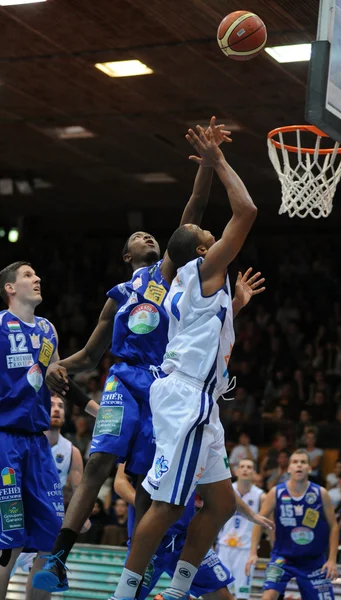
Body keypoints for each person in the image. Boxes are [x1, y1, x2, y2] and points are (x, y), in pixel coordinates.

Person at [33, 119, 263, 594]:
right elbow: (93, 351)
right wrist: (63, 364)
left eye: (152, 235)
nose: (147, 236)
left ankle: (155, 580)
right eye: (137, 236)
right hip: (137, 380)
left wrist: (206, 166)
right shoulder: (126, 290)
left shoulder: (171, 276)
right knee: (104, 466)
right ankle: (68, 559)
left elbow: (192, 215)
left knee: (158, 486)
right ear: (125, 253)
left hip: (165, 380)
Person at [108, 122, 270, 600]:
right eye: (207, 234)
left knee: (219, 505)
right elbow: (247, 210)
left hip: (198, 397)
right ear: (204, 253)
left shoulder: (184, 283)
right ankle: (124, 594)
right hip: (186, 398)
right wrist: (217, 162)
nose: (211, 230)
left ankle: (178, 591)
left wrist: (234, 306)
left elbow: (202, 330)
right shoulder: (201, 272)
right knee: (167, 507)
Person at [0, 262, 89, 600]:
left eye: (37, 274)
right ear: (10, 288)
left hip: (37, 445)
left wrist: (94, 409)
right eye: (27, 275)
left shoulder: (48, 330)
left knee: (52, 539)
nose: (37, 278)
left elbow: (58, 381)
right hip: (4, 440)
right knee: (9, 540)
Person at [114, 462, 271, 600]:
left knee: (222, 595)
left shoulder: (199, 440)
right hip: (150, 538)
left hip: (186, 539)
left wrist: (251, 514)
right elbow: (120, 481)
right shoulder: (145, 434)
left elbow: (220, 488)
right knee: (127, 597)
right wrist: (153, 511)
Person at [9, 395, 95, 584]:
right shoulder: (21, 442)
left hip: (44, 523)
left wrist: (84, 516)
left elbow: (79, 491)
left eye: (61, 406)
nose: (56, 409)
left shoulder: (71, 451)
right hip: (17, 519)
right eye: (51, 405)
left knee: (42, 584)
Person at [246, 449, 339, 600]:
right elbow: (258, 521)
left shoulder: (321, 493)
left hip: (313, 561)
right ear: (289, 468)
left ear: (309, 468)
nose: (299, 465)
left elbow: (334, 526)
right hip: (283, 558)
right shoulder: (276, 492)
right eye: (295, 462)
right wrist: (252, 553)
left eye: (303, 462)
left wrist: (332, 560)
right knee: (268, 597)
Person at [216, 459, 266, 600]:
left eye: (249, 467)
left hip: (246, 550)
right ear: (236, 471)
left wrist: (254, 551)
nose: (245, 469)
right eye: (242, 466)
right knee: (220, 589)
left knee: (243, 593)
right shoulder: (225, 491)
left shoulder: (261, 496)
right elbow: (215, 519)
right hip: (224, 547)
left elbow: (265, 526)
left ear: (254, 473)